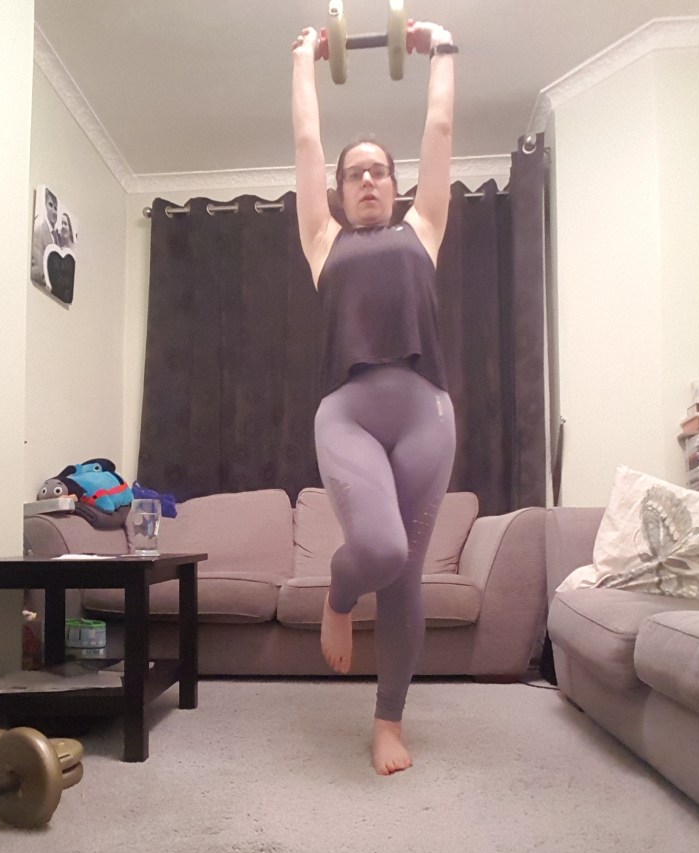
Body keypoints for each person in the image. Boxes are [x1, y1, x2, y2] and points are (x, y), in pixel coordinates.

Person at [292, 20, 457, 775]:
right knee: (380, 551)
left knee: (405, 576)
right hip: (349, 412)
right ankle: (338, 594)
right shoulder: (322, 240)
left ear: (397, 186)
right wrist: (303, 59)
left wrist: (442, 49)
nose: (366, 181)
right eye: (353, 173)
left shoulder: (424, 229)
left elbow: (440, 127)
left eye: (379, 172)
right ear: (337, 189)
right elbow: (306, 141)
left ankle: (388, 722)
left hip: (426, 412)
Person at [30, 187, 61, 285]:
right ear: (45, 205)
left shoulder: (56, 237)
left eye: (56, 208)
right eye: (50, 205)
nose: (54, 211)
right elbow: (38, 269)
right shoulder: (39, 230)